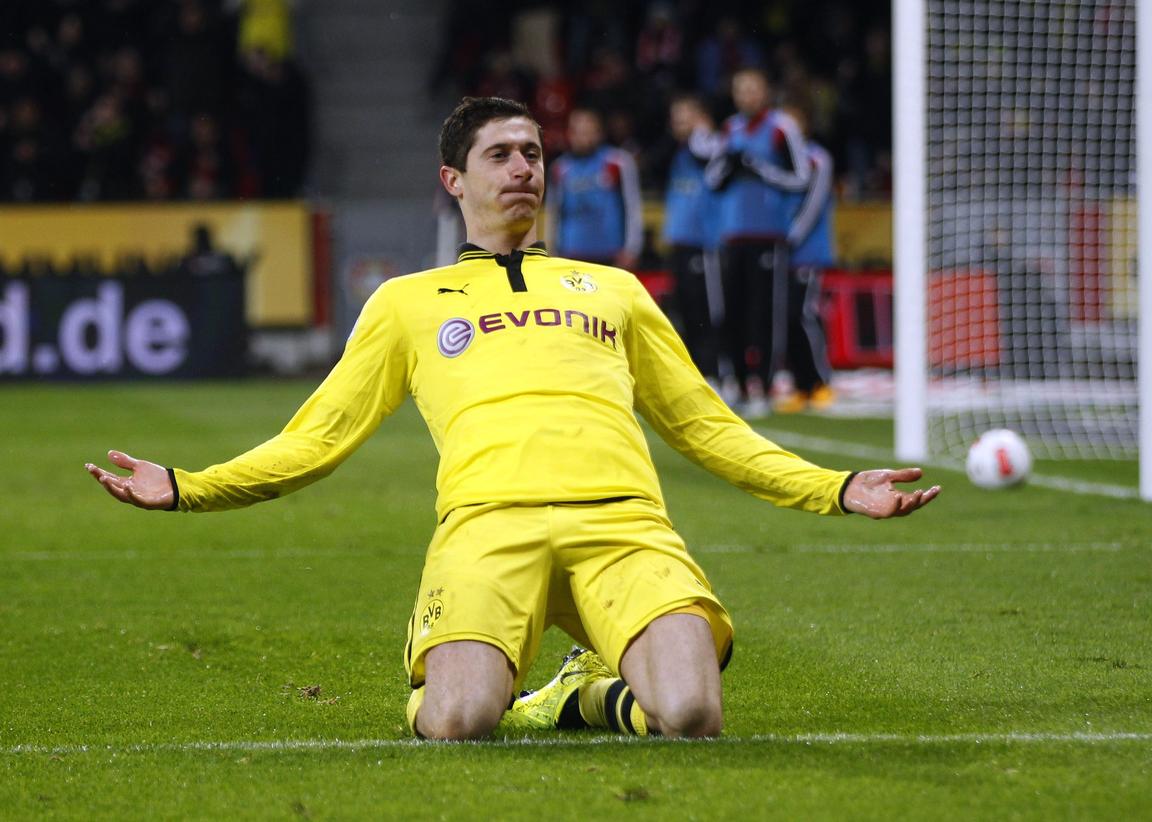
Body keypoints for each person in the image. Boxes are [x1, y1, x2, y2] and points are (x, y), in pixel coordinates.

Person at [86, 96, 941, 741]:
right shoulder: (406, 303)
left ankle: (591, 690)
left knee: (689, 714)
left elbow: (708, 427)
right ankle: (527, 687)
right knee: (458, 723)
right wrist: (192, 488)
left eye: (533, 152)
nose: (524, 167)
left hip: (624, 526)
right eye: (501, 154)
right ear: (455, 180)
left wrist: (833, 489)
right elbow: (318, 438)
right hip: (487, 529)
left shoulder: (614, 289)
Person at [705, 67, 811, 419]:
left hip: (769, 236)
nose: (747, 95)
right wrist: (729, 166)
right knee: (731, 314)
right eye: (741, 90)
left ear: (765, 91)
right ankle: (735, 383)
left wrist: (760, 168)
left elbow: (801, 178)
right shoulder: (730, 129)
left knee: (765, 314)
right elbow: (712, 178)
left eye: (753, 89)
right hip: (733, 235)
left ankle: (763, 388)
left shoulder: (782, 127)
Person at [662, 93, 723, 385]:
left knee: (707, 310)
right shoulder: (679, 152)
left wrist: (701, 130)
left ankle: (715, 371)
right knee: (685, 311)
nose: (677, 124)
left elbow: (710, 154)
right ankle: (697, 372)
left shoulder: (710, 146)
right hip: (680, 242)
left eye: (683, 117)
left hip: (704, 243)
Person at [774, 136, 837, 413]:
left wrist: (790, 236)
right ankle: (801, 385)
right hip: (780, 251)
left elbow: (814, 203)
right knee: (785, 317)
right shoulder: (775, 161)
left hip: (807, 251)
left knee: (804, 313)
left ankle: (820, 382)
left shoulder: (816, 158)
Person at [546, 106, 642, 269]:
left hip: (610, 254)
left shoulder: (618, 162)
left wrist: (632, 249)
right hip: (571, 254)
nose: (583, 137)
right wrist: (552, 251)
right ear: (570, 133)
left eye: (588, 131)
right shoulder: (559, 168)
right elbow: (553, 212)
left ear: (599, 133)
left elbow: (632, 206)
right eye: (577, 131)